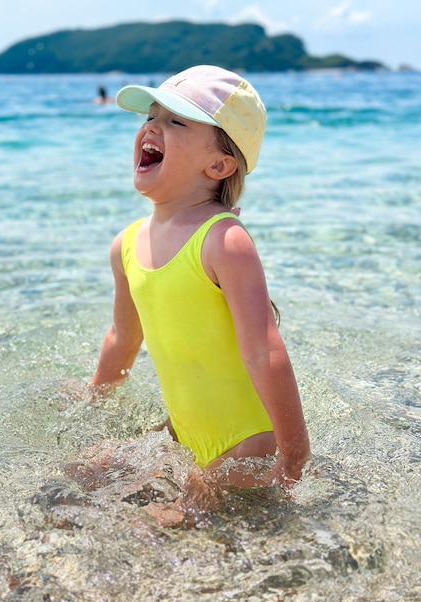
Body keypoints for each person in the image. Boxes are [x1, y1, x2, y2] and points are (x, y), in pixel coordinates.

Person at [90, 65, 311, 488]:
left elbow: (264, 352)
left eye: (174, 121)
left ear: (219, 165)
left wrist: (295, 457)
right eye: (150, 116)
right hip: (183, 434)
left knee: (161, 530)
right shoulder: (127, 245)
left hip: (246, 446)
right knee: (81, 474)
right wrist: (93, 399)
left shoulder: (223, 241)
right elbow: (123, 337)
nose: (152, 127)